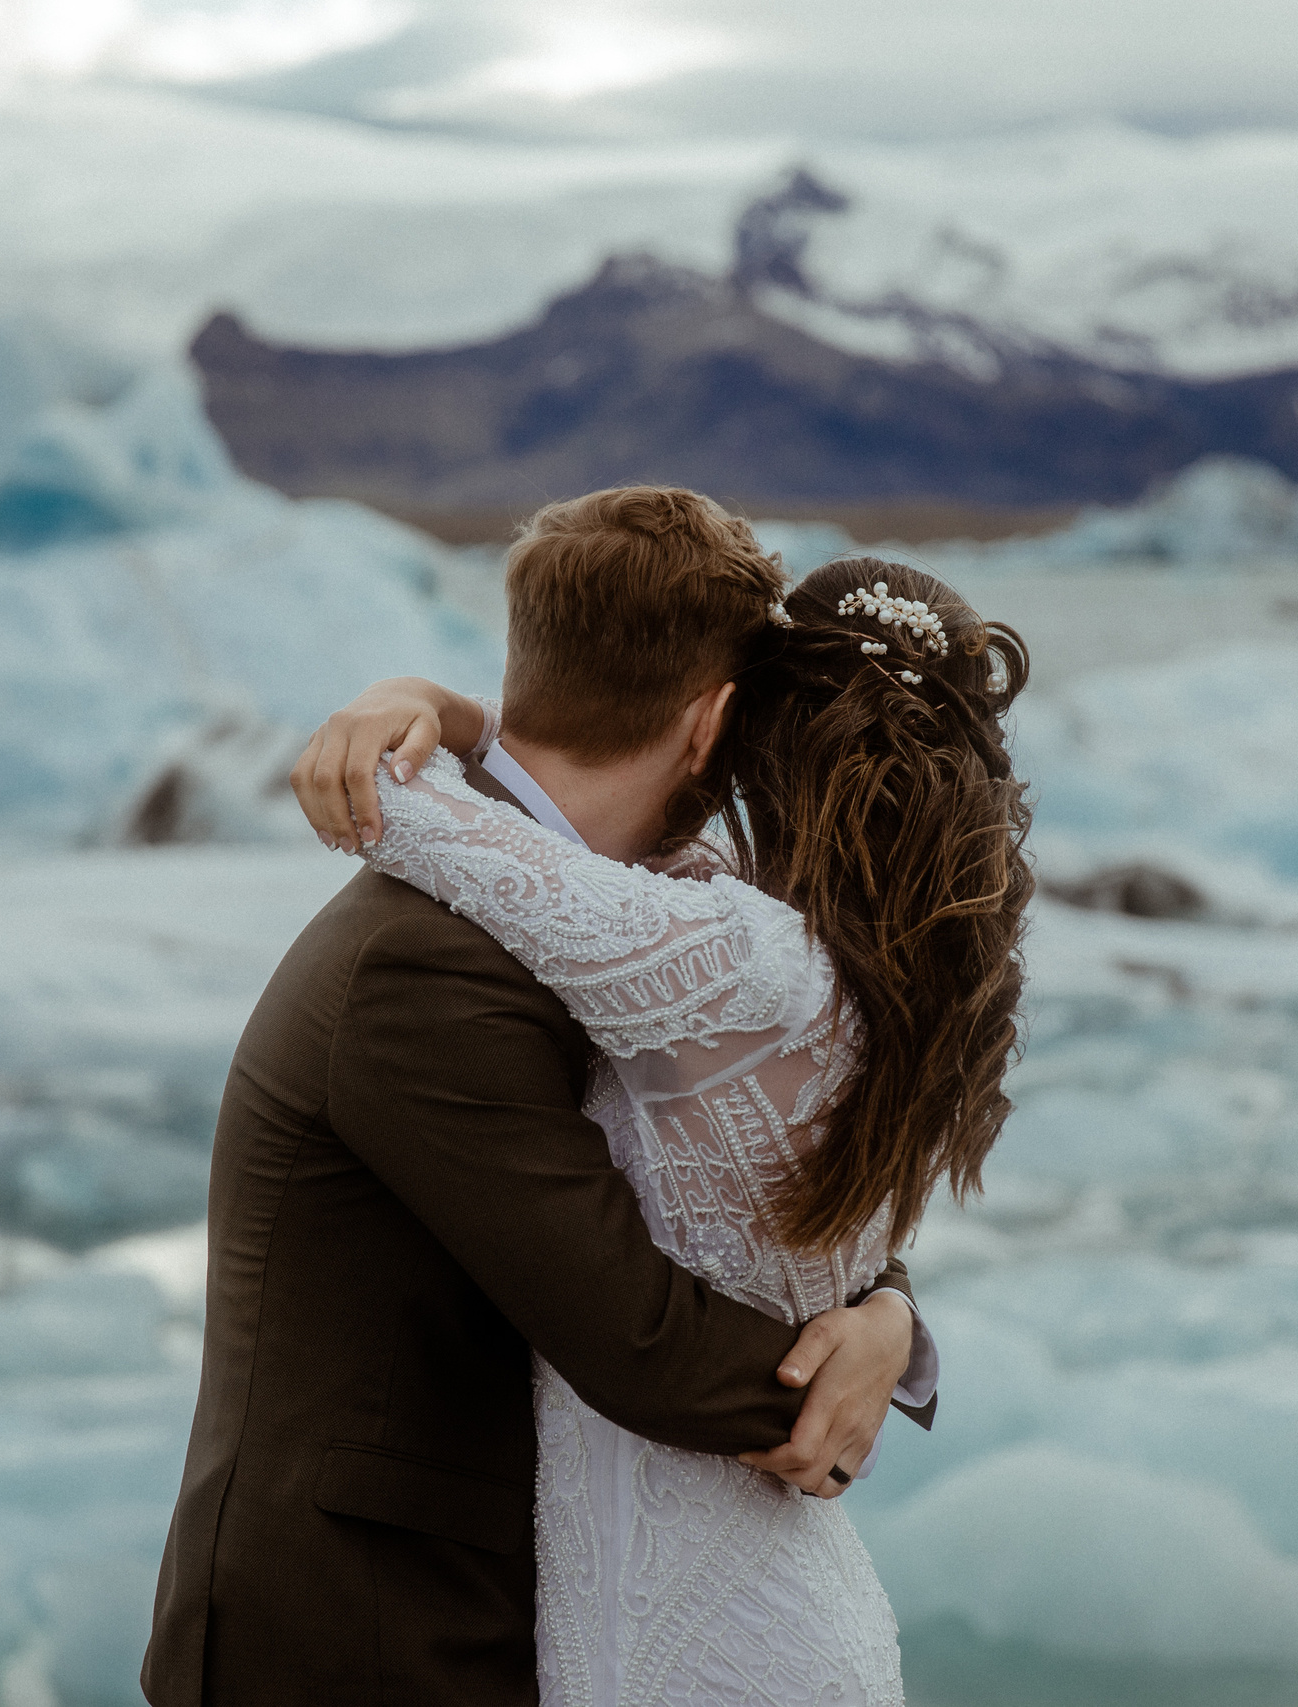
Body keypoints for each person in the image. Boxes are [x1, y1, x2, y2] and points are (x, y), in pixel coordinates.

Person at [140, 502, 938, 1705]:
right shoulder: (436, 964)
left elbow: (745, 1173)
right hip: (353, 1631)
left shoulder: (603, 918)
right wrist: (843, 1386)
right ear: (712, 724)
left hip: (457, 1604)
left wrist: (886, 1318)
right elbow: (639, 1340)